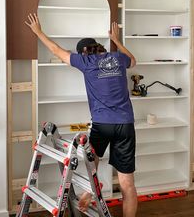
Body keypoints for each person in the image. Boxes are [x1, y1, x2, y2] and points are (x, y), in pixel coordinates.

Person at [25, 13, 137, 217]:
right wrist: (116, 41)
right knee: (127, 184)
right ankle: (90, 192)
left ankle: (89, 190)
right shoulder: (118, 58)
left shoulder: (85, 62)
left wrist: (38, 31)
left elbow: (56, 50)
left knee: (91, 164)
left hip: (102, 124)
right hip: (125, 124)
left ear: (83, 53)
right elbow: (133, 60)